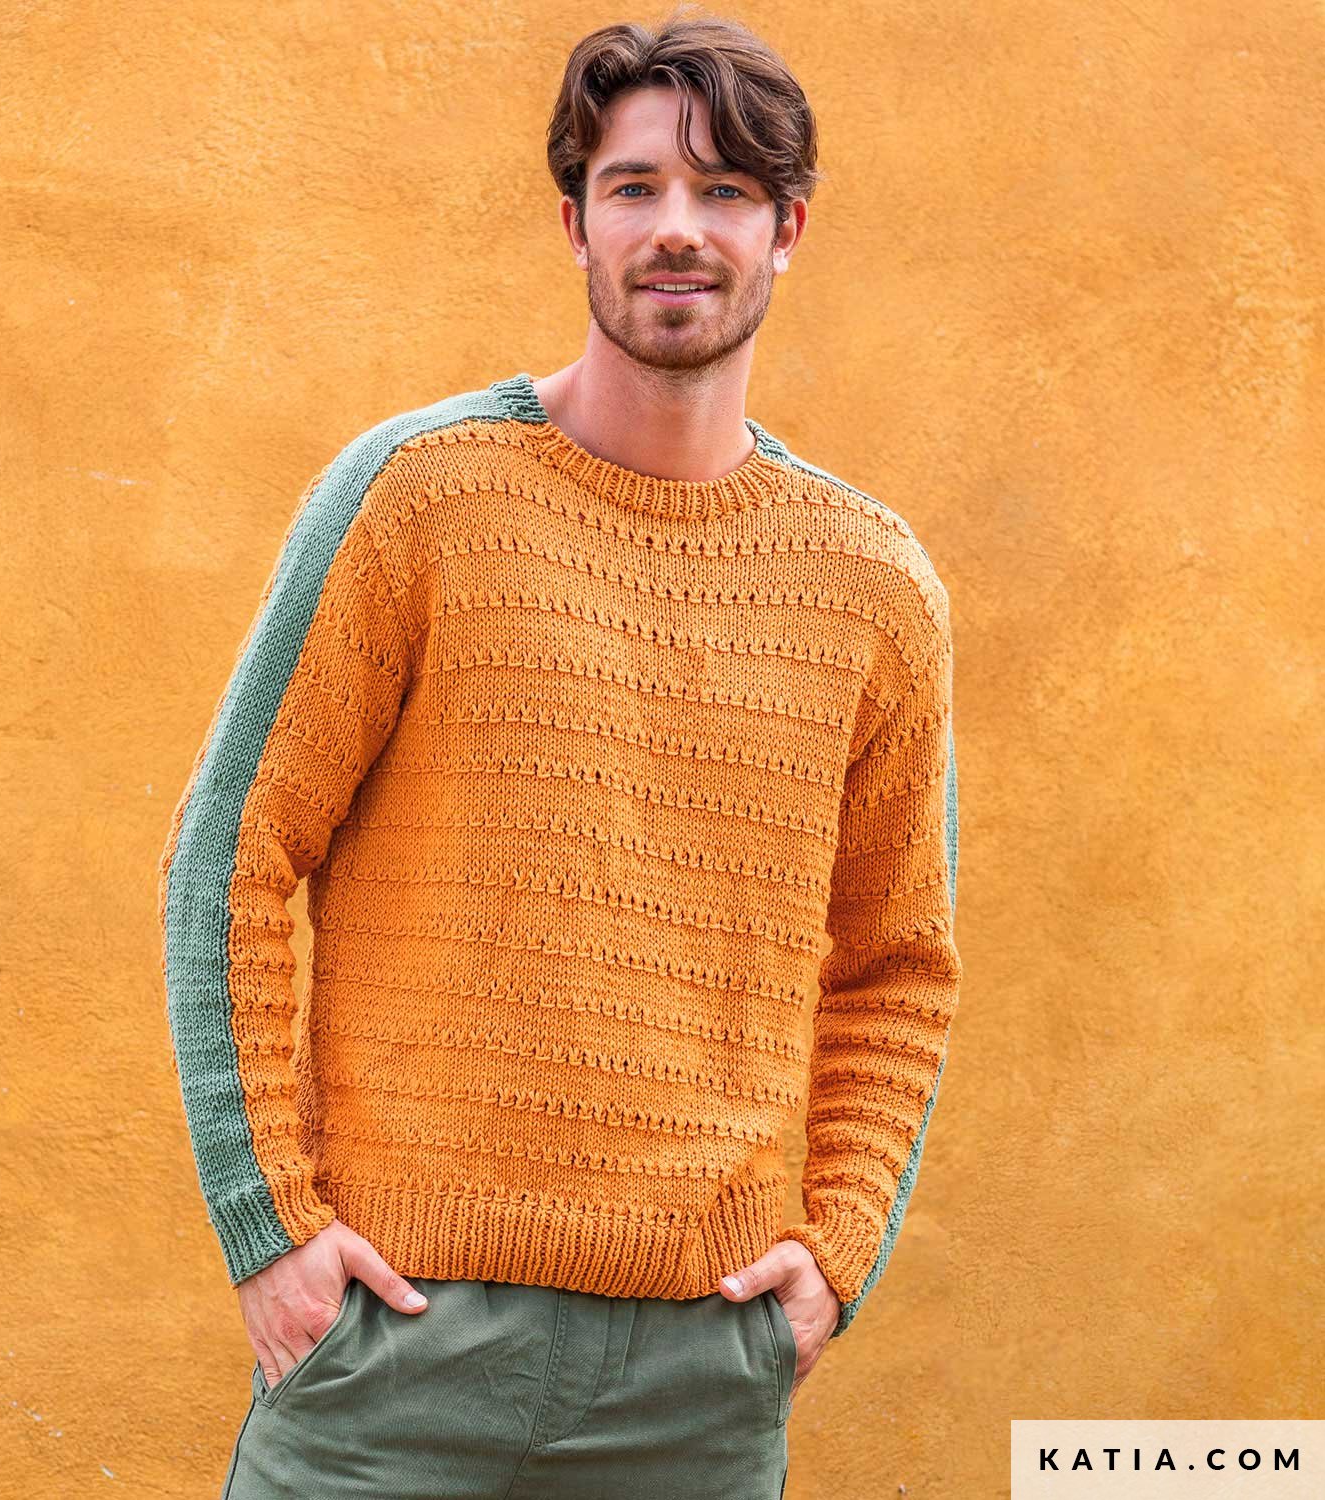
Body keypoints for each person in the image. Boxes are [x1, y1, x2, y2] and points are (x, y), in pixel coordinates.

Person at [158, 13, 962, 1499]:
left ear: (786, 230)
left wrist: (838, 1252)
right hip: (393, 1347)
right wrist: (269, 1229)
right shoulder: (418, 498)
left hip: (699, 1380)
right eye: (635, 185)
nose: (677, 228)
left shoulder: (874, 585)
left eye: (725, 192)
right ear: (575, 220)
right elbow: (232, 854)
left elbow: (897, 965)